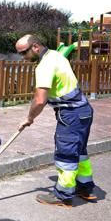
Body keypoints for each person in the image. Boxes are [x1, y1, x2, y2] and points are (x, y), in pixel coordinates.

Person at [16, 34, 96, 206]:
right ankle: (84, 187)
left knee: (66, 155)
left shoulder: (44, 65)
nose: (22, 57)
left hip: (70, 115)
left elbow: (39, 100)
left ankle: (63, 195)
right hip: (84, 111)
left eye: (23, 52)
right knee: (79, 152)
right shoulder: (56, 55)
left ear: (35, 47)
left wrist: (29, 118)